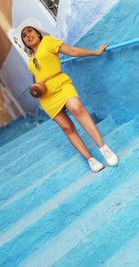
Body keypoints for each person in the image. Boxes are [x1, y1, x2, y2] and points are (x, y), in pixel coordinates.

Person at [13, 18, 118, 172]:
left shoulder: (48, 42)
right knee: (67, 128)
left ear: (38, 33)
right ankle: (90, 159)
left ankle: (104, 148)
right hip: (47, 97)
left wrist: (96, 52)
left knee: (76, 108)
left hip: (61, 84)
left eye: (30, 31)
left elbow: (72, 51)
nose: (28, 35)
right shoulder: (31, 61)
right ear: (25, 43)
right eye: (24, 35)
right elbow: (41, 76)